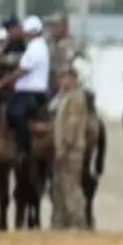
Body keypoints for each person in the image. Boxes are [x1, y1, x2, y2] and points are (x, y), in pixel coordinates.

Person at [0, 15, 49, 158]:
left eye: (26, 32)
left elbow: (21, 71)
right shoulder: (34, 46)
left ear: (32, 32)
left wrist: (1, 83)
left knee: (14, 114)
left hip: (32, 91)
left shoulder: (36, 48)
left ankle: (24, 149)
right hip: (26, 90)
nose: (24, 34)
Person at [51, 65, 90, 230]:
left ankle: (78, 221)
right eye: (61, 78)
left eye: (65, 78)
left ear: (73, 79)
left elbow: (72, 124)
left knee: (71, 185)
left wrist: (64, 146)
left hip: (71, 149)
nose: (62, 81)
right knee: (62, 185)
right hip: (66, 148)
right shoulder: (64, 97)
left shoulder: (75, 98)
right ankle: (63, 221)